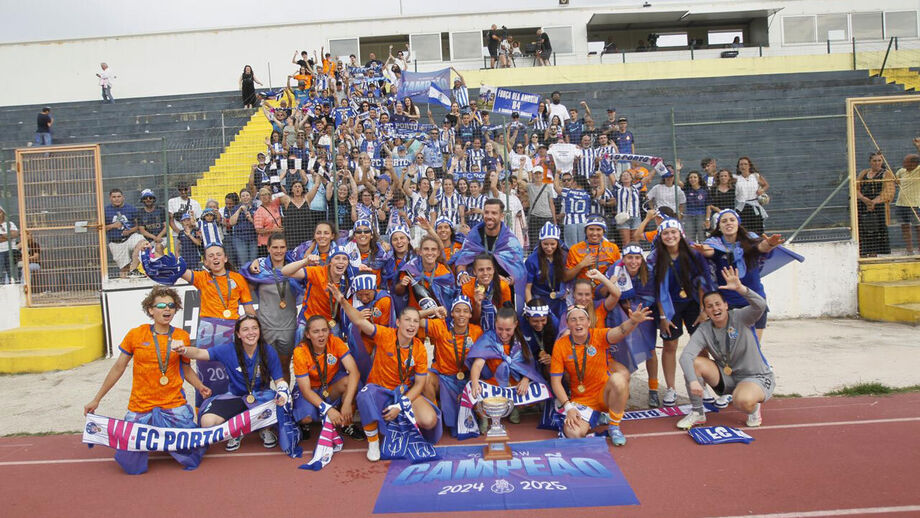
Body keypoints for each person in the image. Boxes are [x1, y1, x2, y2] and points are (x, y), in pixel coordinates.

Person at [84, 286, 210, 473]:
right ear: (151, 310)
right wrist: (97, 399)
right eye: (161, 306)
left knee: (194, 450)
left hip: (173, 404)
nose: (167, 309)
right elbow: (118, 367)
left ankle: (170, 437)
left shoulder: (181, 336)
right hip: (141, 406)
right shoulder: (136, 334)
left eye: (171, 306)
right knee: (131, 466)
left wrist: (200, 386)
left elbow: (186, 368)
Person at [141, 242, 256, 406]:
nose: (215, 258)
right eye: (211, 256)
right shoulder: (201, 277)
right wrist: (153, 254)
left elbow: (249, 309)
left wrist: (256, 330)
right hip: (208, 332)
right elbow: (177, 269)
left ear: (225, 258)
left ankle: (236, 410)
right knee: (206, 373)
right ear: (206, 262)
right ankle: (203, 410)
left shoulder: (238, 279)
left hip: (232, 331)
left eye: (218, 254)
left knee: (234, 371)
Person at [334, 287, 441, 462]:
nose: (412, 325)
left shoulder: (419, 348)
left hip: (403, 392)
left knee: (429, 421)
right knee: (364, 394)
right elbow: (359, 321)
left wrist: (401, 405)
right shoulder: (384, 334)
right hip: (380, 391)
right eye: (407, 320)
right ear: (398, 322)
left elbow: (420, 384)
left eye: (415, 321)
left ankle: (404, 424)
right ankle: (373, 442)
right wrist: (342, 301)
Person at [676, 267, 774, 430]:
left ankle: (753, 407)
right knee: (694, 363)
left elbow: (761, 305)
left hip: (755, 376)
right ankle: (698, 412)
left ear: (726, 305)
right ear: (705, 311)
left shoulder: (741, 316)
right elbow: (686, 356)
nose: (715, 309)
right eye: (709, 306)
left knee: (741, 401)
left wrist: (741, 289)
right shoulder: (704, 329)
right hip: (727, 377)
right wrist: (693, 380)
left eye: (718, 304)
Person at [174, 315, 290, 451]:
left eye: (254, 328)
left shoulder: (268, 351)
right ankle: (238, 430)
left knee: (282, 403)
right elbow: (200, 352)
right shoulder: (228, 350)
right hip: (236, 397)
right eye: (245, 329)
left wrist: (283, 393)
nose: (251, 333)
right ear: (238, 334)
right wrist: (184, 350)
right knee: (207, 422)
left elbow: (279, 380)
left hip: (262, 399)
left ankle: (264, 429)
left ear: (259, 331)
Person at [549, 302, 653, 446]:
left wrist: (633, 321)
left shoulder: (598, 335)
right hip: (582, 400)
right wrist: (568, 407)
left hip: (604, 395)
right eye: (573, 319)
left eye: (581, 319)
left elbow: (620, 330)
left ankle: (614, 426)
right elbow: (555, 382)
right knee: (573, 433)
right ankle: (597, 417)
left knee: (619, 378)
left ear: (588, 322)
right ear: (567, 324)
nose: (578, 323)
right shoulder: (560, 345)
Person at [648, 219, 712, 407]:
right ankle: (671, 388)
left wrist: (703, 310)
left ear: (680, 234)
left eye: (673, 232)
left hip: (693, 303)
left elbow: (703, 283)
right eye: (665, 233)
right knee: (670, 345)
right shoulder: (655, 258)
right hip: (669, 305)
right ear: (660, 237)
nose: (670, 236)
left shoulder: (693, 254)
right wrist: (663, 317)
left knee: (701, 345)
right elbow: (657, 290)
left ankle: (703, 385)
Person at [699, 209, 784, 343]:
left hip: (754, 300)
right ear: (719, 226)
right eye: (724, 221)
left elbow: (762, 247)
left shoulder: (751, 240)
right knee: (733, 346)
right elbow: (708, 251)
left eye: (732, 220)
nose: (728, 223)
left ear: (738, 223)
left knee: (753, 346)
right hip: (729, 303)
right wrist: (700, 250)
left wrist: (770, 244)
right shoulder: (713, 244)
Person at [468, 306, 546, 430]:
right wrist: (475, 383)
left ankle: (514, 406)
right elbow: (477, 364)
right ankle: (483, 416)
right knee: (473, 388)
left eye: (508, 330)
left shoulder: (520, 341)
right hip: (492, 382)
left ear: (515, 324)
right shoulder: (488, 338)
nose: (504, 334)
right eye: (500, 329)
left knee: (539, 387)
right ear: (495, 324)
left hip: (514, 384)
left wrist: (526, 379)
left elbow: (529, 365)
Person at [291, 315, 365, 440]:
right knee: (306, 418)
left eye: (324, 330)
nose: (321, 335)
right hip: (310, 390)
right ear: (308, 334)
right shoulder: (300, 352)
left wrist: (347, 402)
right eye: (316, 331)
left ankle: (347, 424)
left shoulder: (335, 341)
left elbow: (354, 372)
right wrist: (328, 409)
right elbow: (306, 390)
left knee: (352, 383)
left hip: (329, 387)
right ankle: (305, 422)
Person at [418, 295, 483, 435]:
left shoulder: (476, 331)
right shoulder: (441, 326)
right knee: (425, 377)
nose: (461, 315)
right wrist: (432, 311)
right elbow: (409, 318)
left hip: (467, 378)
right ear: (452, 313)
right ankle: (435, 417)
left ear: (470, 314)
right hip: (443, 378)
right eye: (457, 311)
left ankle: (480, 416)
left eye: (465, 311)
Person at [606, 244, 661, 407]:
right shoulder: (615, 269)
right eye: (630, 257)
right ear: (623, 259)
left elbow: (653, 295)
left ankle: (653, 389)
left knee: (650, 350)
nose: (633, 261)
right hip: (621, 311)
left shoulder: (649, 272)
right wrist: (609, 284)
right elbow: (603, 292)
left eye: (637, 258)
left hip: (644, 311)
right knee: (622, 349)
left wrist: (635, 310)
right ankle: (624, 385)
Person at [241, 234, 300, 385]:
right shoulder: (259, 270)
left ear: (286, 248)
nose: (279, 251)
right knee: (265, 368)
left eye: (282, 247)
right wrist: (251, 314)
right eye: (275, 247)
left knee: (284, 367)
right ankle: (266, 397)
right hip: (266, 327)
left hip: (288, 327)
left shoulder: (295, 269)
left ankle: (285, 396)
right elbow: (244, 291)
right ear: (268, 248)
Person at [281, 245, 352, 342]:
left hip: (330, 322)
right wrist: (305, 261)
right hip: (309, 319)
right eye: (337, 258)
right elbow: (285, 271)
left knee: (336, 337)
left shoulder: (348, 279)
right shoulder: (318, 272)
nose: (341, 261)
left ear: (348, 263)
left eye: (344, 259)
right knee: (301, 331)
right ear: (330, 261)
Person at [525, 222, 568, 323]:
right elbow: (527, 288)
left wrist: (566, 291)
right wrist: (532, 307)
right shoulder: (532, 260)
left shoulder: (564, 256)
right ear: (540, 243)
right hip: (540, 299)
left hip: (559, 299)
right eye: (545, 244)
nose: (549, 248)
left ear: (558, 243)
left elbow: (569, 279)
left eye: (552, 244)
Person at [856, 152, 895, 257]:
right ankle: (863, 253)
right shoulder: (864, 173)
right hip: (863, 205)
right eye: (874, 161)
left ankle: (873, 255)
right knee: (863, 229)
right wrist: (864, 199)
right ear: (870, 162)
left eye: (879, 160)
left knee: (876, 230)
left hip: (879, 207)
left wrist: (873, 202)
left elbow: (888, 191)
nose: (877, 163)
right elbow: (856, 188)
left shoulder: (886, 174)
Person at [564, 215, 621, 286]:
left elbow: (618, 272)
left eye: (598, 229)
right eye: (591, 229)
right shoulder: (574, 249)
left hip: (605, 288)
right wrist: (581, 264)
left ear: (604, 231)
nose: (594, 233)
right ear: (585, 231)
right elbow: (566, 278)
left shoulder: (613, 248)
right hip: (583, 290)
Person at [103, 188, 147, 278]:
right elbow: (99, 228)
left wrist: (130, 231)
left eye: (119, 196)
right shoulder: (105, 211)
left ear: (123, 197)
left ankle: (133, 269)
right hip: (115, 241)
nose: (117, 199)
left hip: (130, 237)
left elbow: (138, 225)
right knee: (124, 268)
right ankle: (124, 282)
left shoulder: (131, 209)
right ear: (110, 198)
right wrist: (113, 226)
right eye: (114, 197)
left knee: (143, 243)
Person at [894, 147, 920, 254]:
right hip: (901, 204)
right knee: (905, 227)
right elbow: (895, 180)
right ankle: (909, 250)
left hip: (915, 204)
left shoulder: (918, 170)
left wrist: (918, 147)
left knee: (918, 227)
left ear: (914, 164)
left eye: (906, 162)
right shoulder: (901, 171)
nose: (903, 163)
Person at [734, 157, 769, 235]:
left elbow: (766, 185)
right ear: (738, 166)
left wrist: (761, 190)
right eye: (741, 164)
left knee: (758, 230)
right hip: (742, 207)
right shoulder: (736, 178)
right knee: (744, 231)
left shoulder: (755, 176)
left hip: (755, 206)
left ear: (749, 165)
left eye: (745, 164)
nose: (743, 166)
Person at [137, 189, 168, 254]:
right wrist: (155, 238)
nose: (148, 199)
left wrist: (159, 237)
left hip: (163, 238)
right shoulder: (140, 213)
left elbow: (166, 227)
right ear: (142, 200)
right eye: (145, 198)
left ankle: (161, 261)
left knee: (158, 247)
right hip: (149, 240)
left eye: (150, 198)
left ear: (154, 199)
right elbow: (142, 230)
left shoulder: (161, 210)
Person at [682, 171, 710, 244]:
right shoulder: (686, 190)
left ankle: (702, 250)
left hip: (701, 216)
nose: (692, 179)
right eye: (690, 177)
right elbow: (678, 182)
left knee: (702, 236)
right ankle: (691, 250)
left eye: (695, 177)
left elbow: (708, 206)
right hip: (689, 215)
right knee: (689, 237)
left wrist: (707, 219)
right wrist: (678, 170)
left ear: (699, 179)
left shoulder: (704, 191)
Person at [0, 205, 20, 284]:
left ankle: (14, 283)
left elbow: (15, 234)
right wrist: (9, 236)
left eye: (0, 212)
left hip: (11, 250)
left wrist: (1, 235)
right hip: (0, 252)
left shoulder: (10, 224)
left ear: (3, 213)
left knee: (12, 274)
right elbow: (12, 235)